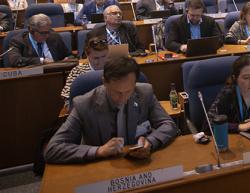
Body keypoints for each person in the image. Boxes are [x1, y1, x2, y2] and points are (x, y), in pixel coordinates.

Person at [44, 56, 177, 164]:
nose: (122, 98)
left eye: (128, 91)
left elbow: (168, 125)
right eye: (117, 92)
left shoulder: (144, 93)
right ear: (104, 82)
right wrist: (98, 151)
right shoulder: (83, 104)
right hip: (102, 168)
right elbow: (52, 149)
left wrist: (150, 142)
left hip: (139, 164)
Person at [60, 36, 110, 105]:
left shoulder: (115, 68)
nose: (101, 61)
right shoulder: (77, 71)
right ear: (87, 55)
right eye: (96, 58)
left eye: (104, 56)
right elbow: (66, 96)